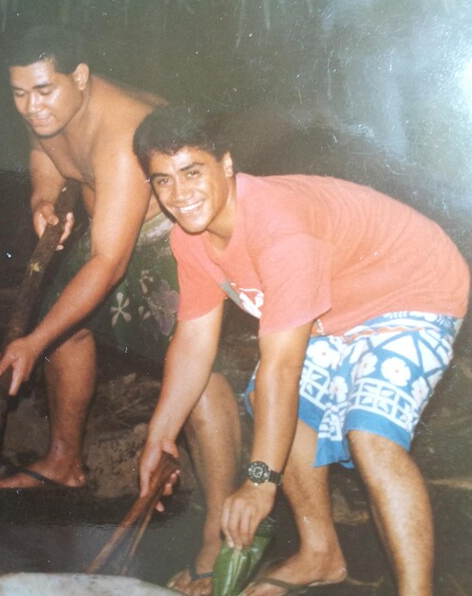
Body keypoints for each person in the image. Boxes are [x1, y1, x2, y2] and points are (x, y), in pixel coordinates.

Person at [135, 105, 469, 596]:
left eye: (192, 172)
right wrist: (158, 435)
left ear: (226, 164)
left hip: (413, 288)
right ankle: (320, 554)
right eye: (162, 181)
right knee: (288, 413)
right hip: (337, 306)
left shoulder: (279, 229)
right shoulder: (192, 238)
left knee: (370, 434)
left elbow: (282, 368)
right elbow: (193, 341)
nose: (179, 196)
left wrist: (259, 482)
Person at [0, 26, 241, 594]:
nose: (32, 107)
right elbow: (44, 150)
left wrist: (29, 341)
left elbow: (107, 262)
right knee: (63, 329)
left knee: (198, 372)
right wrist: (42, 196)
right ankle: (64, 460)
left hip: (173, 236)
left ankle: (220, 529)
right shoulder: (46, 105)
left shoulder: (120, 130)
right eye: (19, 95)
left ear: (80, 78)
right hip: (112, 232)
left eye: (43, 92)